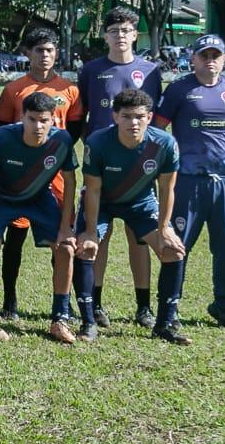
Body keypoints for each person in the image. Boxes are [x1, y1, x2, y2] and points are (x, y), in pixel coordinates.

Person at [153, 34, 225, 331]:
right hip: (188, 181)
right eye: (204, 55)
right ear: (193, 59)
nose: (210, 60)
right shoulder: (179, 89)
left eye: (216, 55)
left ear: (224, 59)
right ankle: (170, 307)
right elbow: (158, 130)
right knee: (177, 245)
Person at [74, 89, 187, 344]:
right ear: (115, 116)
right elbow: (92, 189)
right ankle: (88, 321)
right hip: (102, 202)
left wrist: (165, 227)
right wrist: (91, 231)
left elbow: (167, 188)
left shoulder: (165, 144)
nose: (133, 123)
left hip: (140, 203)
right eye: (126, 116)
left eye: (139, 117)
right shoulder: (98, 142)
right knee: (86, 248)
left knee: (173, 250)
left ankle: (164, 323)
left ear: (149, 117)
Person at [75, 6, 164, 329]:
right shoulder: (91, 71)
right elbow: (80, 117)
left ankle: (144, 307)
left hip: (140, 169)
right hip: (100, 168)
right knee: (97, 235)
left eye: (126, 30)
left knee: (139, 237)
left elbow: (157, 120)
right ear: (105, 36)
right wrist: (95, 148)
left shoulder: (151, 71)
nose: (120, 36)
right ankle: (95, 304)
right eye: (113, 31)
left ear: (135, 34)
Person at [0, 27, 83, 320]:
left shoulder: (70, 89)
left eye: (50, 50)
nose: (45, 55)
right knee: (14, 241)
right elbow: (4, 127)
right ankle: (9, 299)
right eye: (39, 50)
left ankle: (63, 304)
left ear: (57, 53)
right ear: (27, 53)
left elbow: (75, 129)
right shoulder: (14, 89)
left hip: (53, 176)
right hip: (18, 177)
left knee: (61, 239)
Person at [0, 92, 79, 344]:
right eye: (32, 119)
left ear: (54, 121)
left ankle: (60, 318)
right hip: (3, 197)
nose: (38, 126)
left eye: (44, 120)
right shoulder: (4, 136)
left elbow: (70, 182)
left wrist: (65, 226)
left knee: (66, 248)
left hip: (39, 197)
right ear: (22, 117)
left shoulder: (63, 140)